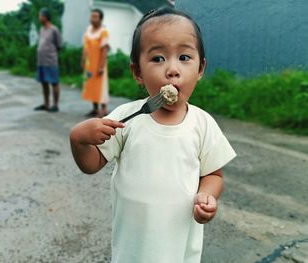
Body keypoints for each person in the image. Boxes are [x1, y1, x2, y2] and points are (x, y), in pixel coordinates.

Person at [70, 7, 236, 263]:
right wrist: (79, 139)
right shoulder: (126, 118)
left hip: (179, 247)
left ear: (201, 68)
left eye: (184, 57)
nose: (172, 69)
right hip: (132, 246)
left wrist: (208, 196)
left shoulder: (202, 124)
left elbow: (213, 174)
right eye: (158, 58)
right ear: (137, 72)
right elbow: (91, 164)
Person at [81, 8, 110, 117]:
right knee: (91, 85)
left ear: (100, 19)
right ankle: (94, 108)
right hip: (89, 65)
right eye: (91, 16)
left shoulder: (103, 32)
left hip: (99, 64)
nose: (92, 18)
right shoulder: (88, 30)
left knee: (101, 86)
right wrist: (83, 61)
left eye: (95, 16)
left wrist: (101, 66)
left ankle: (103, 109)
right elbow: (85, 48)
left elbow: (105, 49)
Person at [34, 8, 62, 112]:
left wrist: (51, 54)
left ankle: (55, 105)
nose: (39, 18)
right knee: (44, 82)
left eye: (40, 16)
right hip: (41, 61)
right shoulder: (41, 29)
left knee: (54, 82)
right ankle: (46, 104)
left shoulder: (54, 29)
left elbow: (59, 45)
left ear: (45, 17)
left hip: (51, 61)